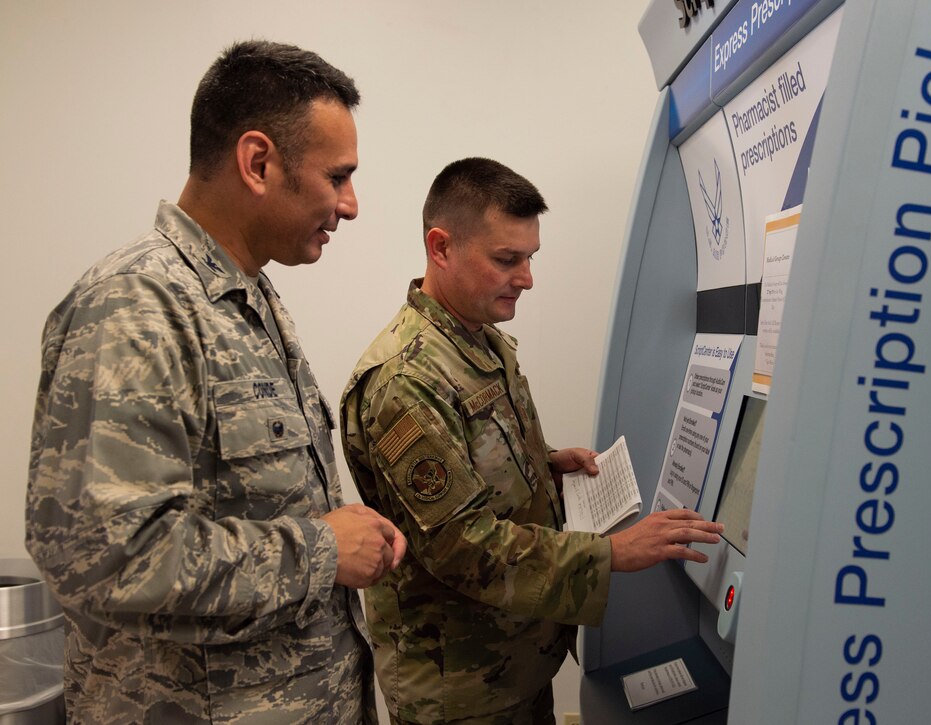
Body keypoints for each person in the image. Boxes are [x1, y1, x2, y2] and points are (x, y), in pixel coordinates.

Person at [24, 40, 406, 724]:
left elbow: (248, 502)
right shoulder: (137, 306)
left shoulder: (247, 298)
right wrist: (323, 547)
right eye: (337, 176)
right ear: (258, 162)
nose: (351, 204)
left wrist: (345, 531)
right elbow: (108, 559)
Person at [340, 157, 724, 724]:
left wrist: (543, 466)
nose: (526, 277)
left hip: (513, 660)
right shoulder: (405, 380)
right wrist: (612, 554)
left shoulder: (479, 339)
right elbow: (462, 546)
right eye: (507, 259)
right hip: (461, 689)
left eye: (530, 258)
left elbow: (466, 465)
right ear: (441, 247)